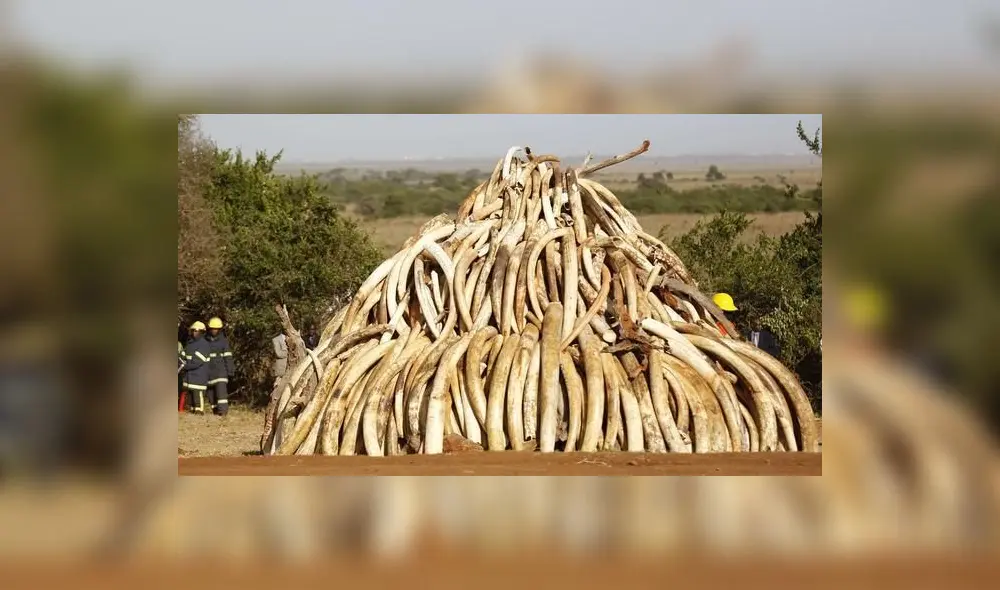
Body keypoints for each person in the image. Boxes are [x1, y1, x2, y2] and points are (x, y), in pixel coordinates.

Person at [205, 317, 235, 416]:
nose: (214, 330)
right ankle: (215, 412)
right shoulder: (204, 341)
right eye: (212, 328)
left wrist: (230, 371)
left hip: (221, 372)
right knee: (211, 395)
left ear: (220, 329)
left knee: (221, 394)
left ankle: (223, 413)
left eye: (216, 328)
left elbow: (228, 357)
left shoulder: (223, 342)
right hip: (208, 373)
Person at [180, 321, 212, 414]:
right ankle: (193, 409)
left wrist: (185, 366)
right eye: (193, 330)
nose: (195, 333)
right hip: (190, 375)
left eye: (197, 331)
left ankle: (199, 410)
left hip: (199, 375)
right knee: (190, 394)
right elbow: (184, 355)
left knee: (197, 393)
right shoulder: (190, 343)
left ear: (202, 332)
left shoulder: (204, 344)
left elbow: (197, 362)